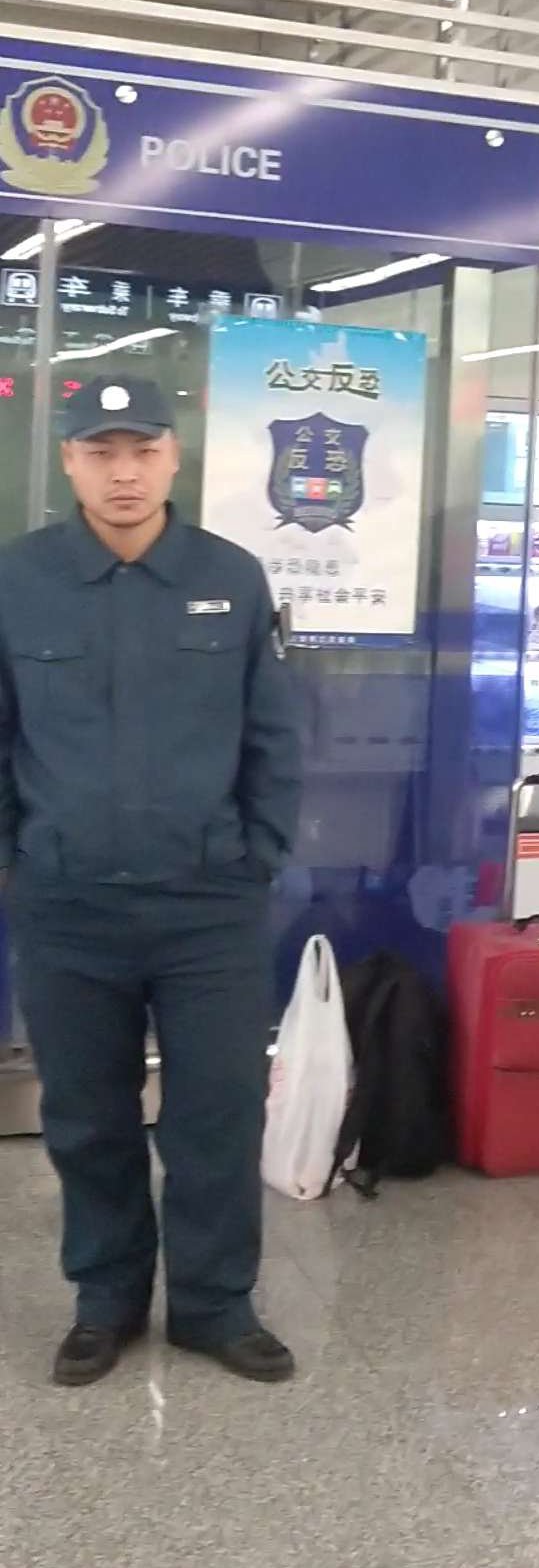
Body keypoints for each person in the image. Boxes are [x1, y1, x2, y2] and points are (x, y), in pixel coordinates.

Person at [0, 374, 302, 1385]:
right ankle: (107, 1298)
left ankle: (214, 1304)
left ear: (174, 457)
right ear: (69, 461)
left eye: (142, 450)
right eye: (101, 452)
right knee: (88, 1116)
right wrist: (16, 861)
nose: (123, 472)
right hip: (67, 903)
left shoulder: (230, 576)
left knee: (219, 1110)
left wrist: (256, 855)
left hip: (207, 906)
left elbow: (273, 735)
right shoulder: (19, 578)